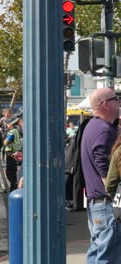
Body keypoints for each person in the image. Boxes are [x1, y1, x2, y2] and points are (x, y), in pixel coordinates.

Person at [81, 88, 119, 263]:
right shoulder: (104, 130)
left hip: (97, 203)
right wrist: (110, 189)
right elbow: (103, 164)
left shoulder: (92, 126)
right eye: (115, 98)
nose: (118, 102)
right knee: (107, 255)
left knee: (97, 251)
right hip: (106, 203)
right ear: (105, 104)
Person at [4, 117, 22, 192]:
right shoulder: (16, 130)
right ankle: (13, 186)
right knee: (13, 171)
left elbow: (6, 142)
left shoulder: (12, 131)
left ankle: (14, 186)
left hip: (11, 154)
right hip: (15, 153)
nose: (6, 125)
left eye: (7, 123)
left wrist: (4, 140)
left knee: (9, 172)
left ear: (11, 124)